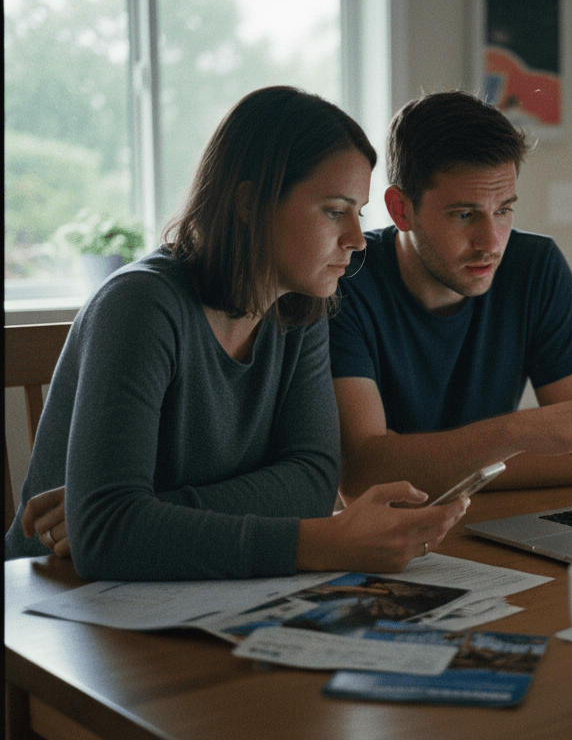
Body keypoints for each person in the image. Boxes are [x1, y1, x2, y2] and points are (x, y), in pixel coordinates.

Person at [6, 85, 468, 577]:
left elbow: (312, 482)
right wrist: (320, 544)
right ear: (249, 202)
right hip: (49, 599)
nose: (356, 240)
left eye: (359, 213)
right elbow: (109, 538)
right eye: (335, 211)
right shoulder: (140, 306)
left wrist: (145, 515)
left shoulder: (302, 308)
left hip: (184, 587)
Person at [330, 90, 572, 503]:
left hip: (489, 519)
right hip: (388, 531)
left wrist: (422, 463)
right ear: (401, 210)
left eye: (503, 210)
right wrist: (517, 433)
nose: (491, 243)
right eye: (464, 215)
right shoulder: (346, 281)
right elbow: (362, 475)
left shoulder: (534, 266)